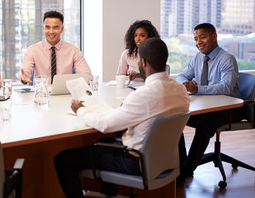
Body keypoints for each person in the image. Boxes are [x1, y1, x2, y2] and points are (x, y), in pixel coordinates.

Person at [54, 38, 190, 198]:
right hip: (163, 161)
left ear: (144, 62)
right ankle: (108, 195)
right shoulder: (181, 91)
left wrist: (80, 110)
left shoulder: (143, 94)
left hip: (135, 162)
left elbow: (105, 125)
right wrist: (128, 110)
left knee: (63, 159)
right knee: (107, 142)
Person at [176, 23, 241, 186]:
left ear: (214, 36)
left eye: (202, 37)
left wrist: (197, 89)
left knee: (205, 125)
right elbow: (183, 74)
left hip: (231, 108)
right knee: (176, 119)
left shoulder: (227, 59)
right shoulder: (197, 58)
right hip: (208, 106)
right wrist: (185, 83)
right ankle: (181, 165)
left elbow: (226, 87)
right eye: (196, 39)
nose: (198, 42)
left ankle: (186, 171)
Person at [17, 11, 92, 84]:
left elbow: (86, 75)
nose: (51, 31)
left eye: (55, 28)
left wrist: (80, 81)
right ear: (44, 28)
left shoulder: (73, 50)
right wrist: (23, 78)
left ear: (61, 29)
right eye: (47, 27)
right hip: (42, 93)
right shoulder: (33, 50)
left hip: (65, 93)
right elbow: (25, 71)